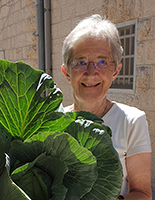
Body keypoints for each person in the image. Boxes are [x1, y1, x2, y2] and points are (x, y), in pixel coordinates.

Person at [61, 14, 152, 200]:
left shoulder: (131, 121)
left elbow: (142, 193)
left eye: (102, 62)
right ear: (67, 72)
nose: (91, 72)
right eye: (80, 62)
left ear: (115, 71)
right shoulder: (51, 121)